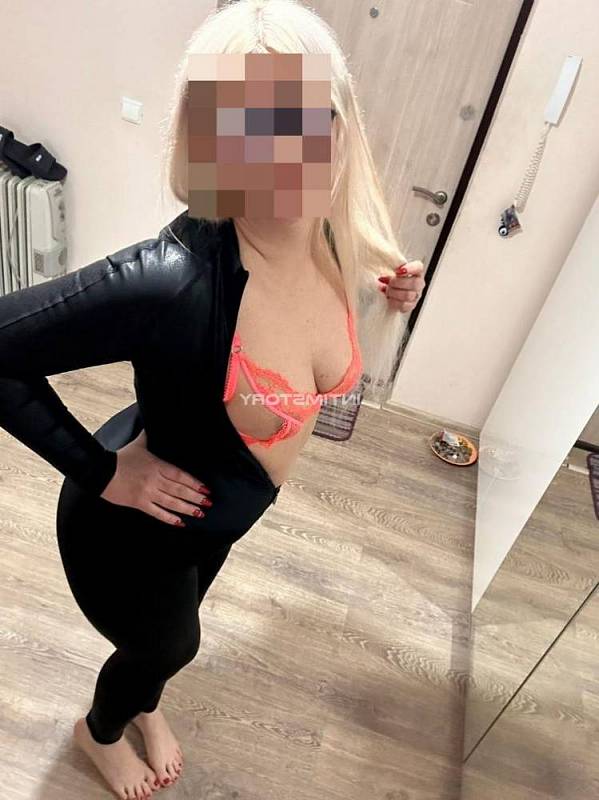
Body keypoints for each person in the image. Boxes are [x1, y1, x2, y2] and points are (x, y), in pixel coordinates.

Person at [0, 1, 424, 798]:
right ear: (212, 142)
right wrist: (101, 471)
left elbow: (307, 335)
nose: (282, 156)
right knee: (167, 646)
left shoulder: (335, 239)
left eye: (301, 120)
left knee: (170, 634)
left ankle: (144, 696)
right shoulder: (170, 281)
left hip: (220, 513)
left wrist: (385, 293)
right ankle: (99, 731)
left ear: (338, 125)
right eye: (248, 129)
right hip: (131, 528)